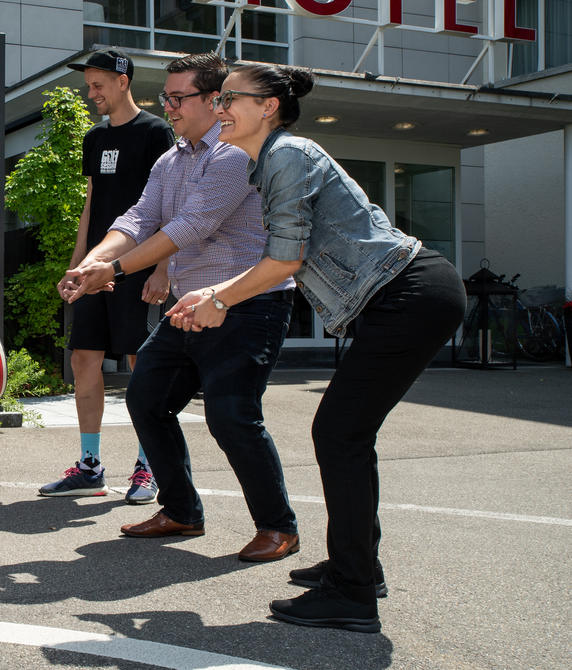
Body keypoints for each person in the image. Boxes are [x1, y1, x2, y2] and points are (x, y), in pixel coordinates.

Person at [170, 63, 466, 632]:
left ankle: (353, 592)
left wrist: (220, 300)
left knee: (338, 433)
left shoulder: (288, 155)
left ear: (269, 107)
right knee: (345, 433)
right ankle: (359, 567)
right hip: (405, 298)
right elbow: (282, 256)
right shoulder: (269, 162)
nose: (221, 106)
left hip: (411, 294)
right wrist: (216, 290)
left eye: (233, 97)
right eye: (221, 97)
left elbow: (286, 262)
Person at [63, 53, 300, 563]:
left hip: (246, 305)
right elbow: (139, 216)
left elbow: (192, 225)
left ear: (216, 101)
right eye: (165, 98)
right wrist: (93, 261)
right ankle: (182, 511)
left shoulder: (234, 155)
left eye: (178, 97)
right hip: (188, 306)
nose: (168, 106)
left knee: (232, 415)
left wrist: (117, 271)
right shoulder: (170, 160)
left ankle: (279, 527)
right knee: (146, 397)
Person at [47, 49, 174, 503]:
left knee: (142, 364)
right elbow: (91, 204)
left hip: (138, 268)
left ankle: (148, 466)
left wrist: (162, 268)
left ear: (123, 81)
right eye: (89, 85)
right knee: (84, 358)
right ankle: (89, 466)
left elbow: (170, 206)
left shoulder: (157, 132)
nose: (91, 92)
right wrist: (78, 264)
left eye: (99, 84)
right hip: (97, 266)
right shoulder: (95, 137)